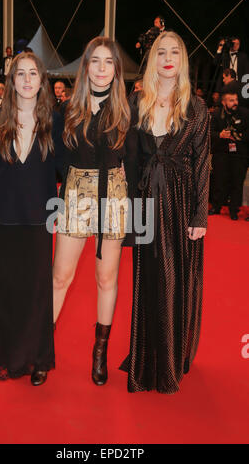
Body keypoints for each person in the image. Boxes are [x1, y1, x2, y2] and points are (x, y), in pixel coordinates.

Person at [120, 31, 211, 394]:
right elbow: (127, 159)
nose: (168, 58)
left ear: (183, 60)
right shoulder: (136, 100)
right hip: (144, 201)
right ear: (152, 59)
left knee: (174, 281)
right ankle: (145, 359)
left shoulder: (197, 107)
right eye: (161, 52)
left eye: (175, 52)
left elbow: (204, 164)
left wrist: (200, 216)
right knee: (147, 279)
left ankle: (170, 361)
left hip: (180, 201)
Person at [52, 36, 138, 386]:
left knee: (106, 279)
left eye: (108, 62)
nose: (102, 69)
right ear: (85, 66)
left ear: (117, 69)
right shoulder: (68, 108)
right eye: (95, 61)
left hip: (114, 197)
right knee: (60, 276)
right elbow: (56, 160)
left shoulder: (128, 111)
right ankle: (43, 346)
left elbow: (132, 165)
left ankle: (99, 352)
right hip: (74, 193)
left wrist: (135, 223)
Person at [0, 52, 65, 386]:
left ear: (42, 80)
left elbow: (65, 168)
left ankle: (39, 359)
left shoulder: (54, 121)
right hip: (1, 220)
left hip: (39, 221)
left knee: (38, 293)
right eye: (20, 74)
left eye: (33, 74)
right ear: (11, 81)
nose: (27, 80)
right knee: (5, 293)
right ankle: (8, 359)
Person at [209, 91, 249, 220]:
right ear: (224, 102)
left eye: (236, 100)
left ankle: (234, 210)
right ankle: (216, 206)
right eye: (231, 100)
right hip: (221, 152)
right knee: (219, 181)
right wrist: (219, 135)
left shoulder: (245, 113)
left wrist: (241, 137)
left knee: (237, 182)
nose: (235, 103)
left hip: (240, 153)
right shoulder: (216, 114)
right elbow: (209, 133)